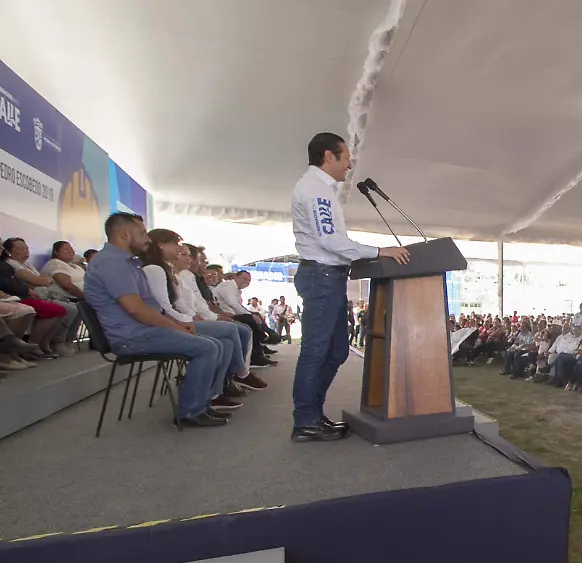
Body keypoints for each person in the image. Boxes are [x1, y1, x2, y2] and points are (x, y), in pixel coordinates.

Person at [289, 132, 409, 442]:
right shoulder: (316, 190)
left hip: (330, 277)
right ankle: (305, 420)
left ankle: (314, 414)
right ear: (328, 156)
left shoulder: (322, 189)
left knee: (338, 350)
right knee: (316, 352)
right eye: (346, 158)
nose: (349, 165)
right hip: (322, 277)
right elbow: (329, 240)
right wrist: (378, 251)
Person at [84, 213, 229, 427]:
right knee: (207, 348)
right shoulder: (112, 264)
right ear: (124, 234)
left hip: (144, 330)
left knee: (215, 343)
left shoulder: (127, 263)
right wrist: (176, 328)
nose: (148, 239)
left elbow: (152, 307)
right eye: (142, 233)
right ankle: (190, 412)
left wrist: (178, 324)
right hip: (131, 337)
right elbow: (136, 309)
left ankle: (201, 404)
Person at [138, 228, 267, 408]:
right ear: (161, 245)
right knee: (230, 331)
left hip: (183, 319)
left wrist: (197, 317)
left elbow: (190, 305)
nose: (180, 251)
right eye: (176, 245)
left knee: (229, 340)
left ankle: (215, 393)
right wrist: (186, 321)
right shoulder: (155, 270)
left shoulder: (168, 271)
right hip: (172, 323)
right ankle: (240, 374)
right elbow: (163, 308)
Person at [3, 237, 81, 354]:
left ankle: (46, 343)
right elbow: (38, 280)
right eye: (21, 248)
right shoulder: (11, 264)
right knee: (67, 309)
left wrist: (39, 281)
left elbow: (39, 280)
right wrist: (40, 281)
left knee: (72, 308)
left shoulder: (27, 265)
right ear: (9, 251)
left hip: (43, 296)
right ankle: (38, 345)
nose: (26, 251)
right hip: (26, 298)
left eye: (27, 248)